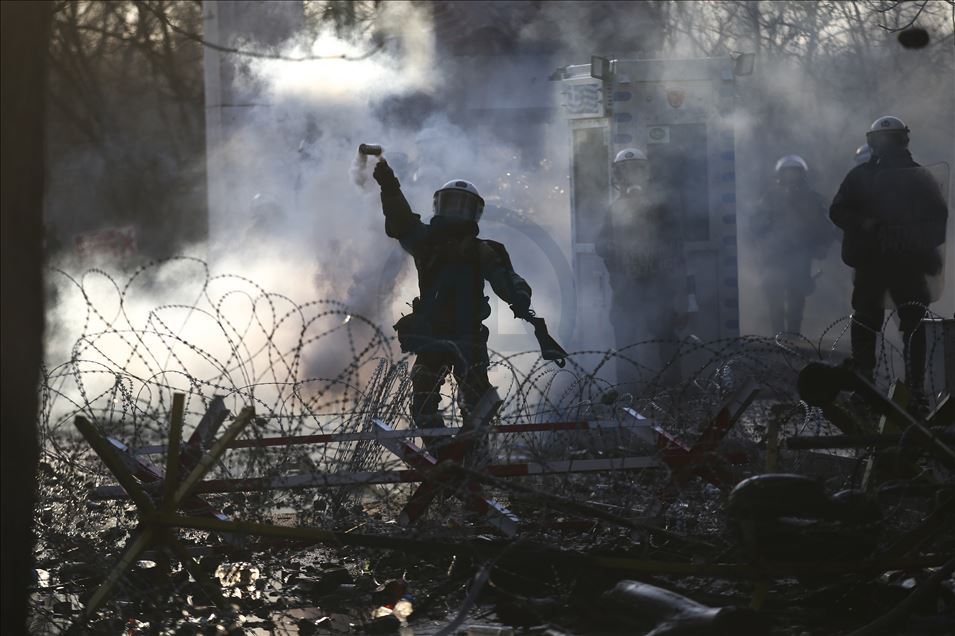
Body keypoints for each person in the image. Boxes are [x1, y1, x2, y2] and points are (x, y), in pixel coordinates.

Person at [372, 158, 538, 454]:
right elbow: (401, 222)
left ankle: (474, 458)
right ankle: (441, 457)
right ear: (440, 206)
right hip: (431, 335)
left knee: (477, 403)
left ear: (475, 213)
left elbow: (505, 278)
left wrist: (520, 297)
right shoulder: (426, 243)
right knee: (424, 400)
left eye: (463, 207)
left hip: (467, 335)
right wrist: (390, 186)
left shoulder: (482, 250)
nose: (457, 213)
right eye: (452, 205)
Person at [830, 116, 948, 413]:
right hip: (877, 261)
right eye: (883, 141)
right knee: (871, 322)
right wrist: (866, 225)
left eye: (890, 140)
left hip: (902, 262)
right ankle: (869, 384)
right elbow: (838, 211)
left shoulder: (915, 176)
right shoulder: (866, 177)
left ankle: (912, 389)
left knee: (910, 323)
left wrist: (911, 238)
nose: (887, 146)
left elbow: (937, 221)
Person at [596, 148, 694, 389]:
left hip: (658, 287)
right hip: (626, 289)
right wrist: (612, 249)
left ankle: (672, 392)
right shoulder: (614, 209)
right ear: (618, 176)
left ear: (645, 173)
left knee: (666, 340)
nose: (630, 176)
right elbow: (600, 243)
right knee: (625, 342)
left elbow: (677, 248)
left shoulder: (662, 207)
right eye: (625, 171)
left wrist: (683, 293)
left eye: (636, 170)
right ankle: (628, 393)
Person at [749, 155, 833, 335]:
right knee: (774, 297)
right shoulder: (769, 198)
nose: (791, 177)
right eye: (787, 173)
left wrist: (821, 246)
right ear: (780, 174)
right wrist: (760, 243)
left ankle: (794, 335)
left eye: (794, 172)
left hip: (801, 254)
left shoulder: (813, 198)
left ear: (802, 174)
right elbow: (756, 223)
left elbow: (824, 225)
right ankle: (778, 335)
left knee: (797, 296)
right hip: (774, 255)